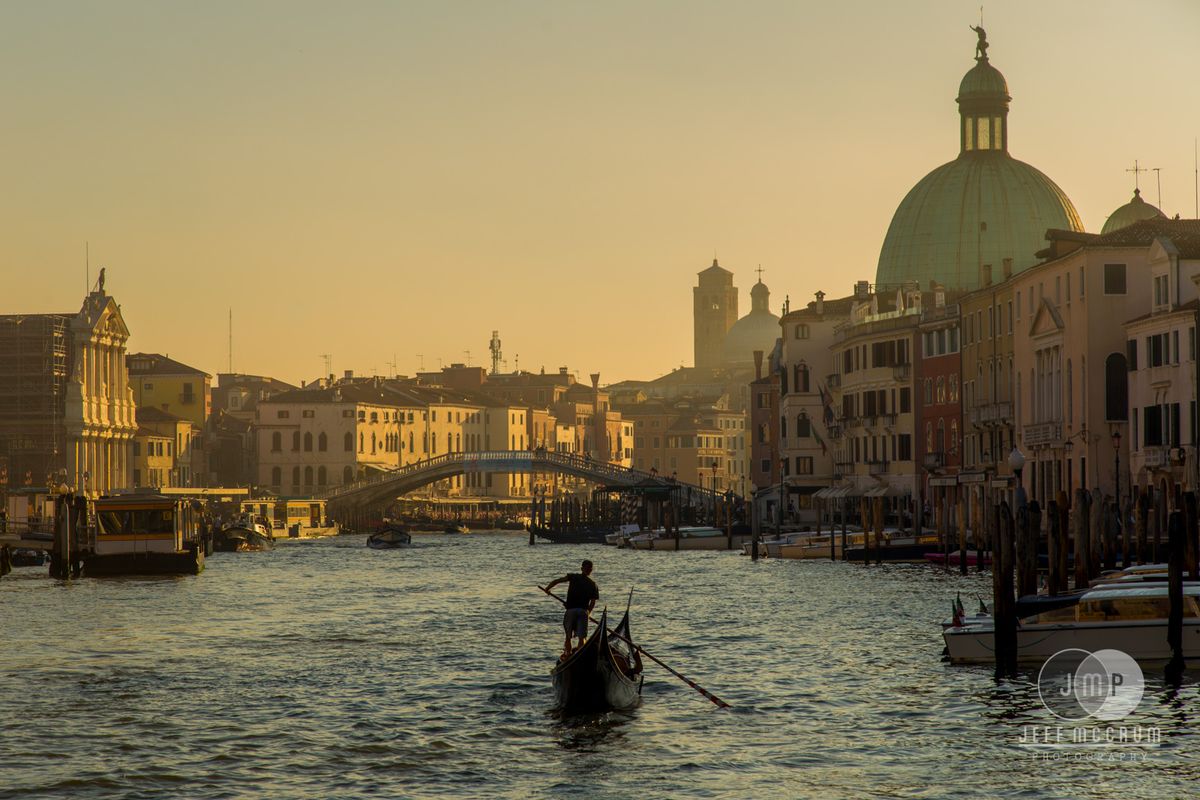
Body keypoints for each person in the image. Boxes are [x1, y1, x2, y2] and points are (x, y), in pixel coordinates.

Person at [546, 560, 599, 658]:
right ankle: (580, 657)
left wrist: (547, 588)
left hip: (571, 610)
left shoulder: (573, 577)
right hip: (583, 612)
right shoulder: (593, 584)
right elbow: (592, 602)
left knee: (568, 637)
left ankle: (568, 654)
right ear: (590, 570)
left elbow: (557, 581)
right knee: (582, 638)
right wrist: (588, 613)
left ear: (582, 569)